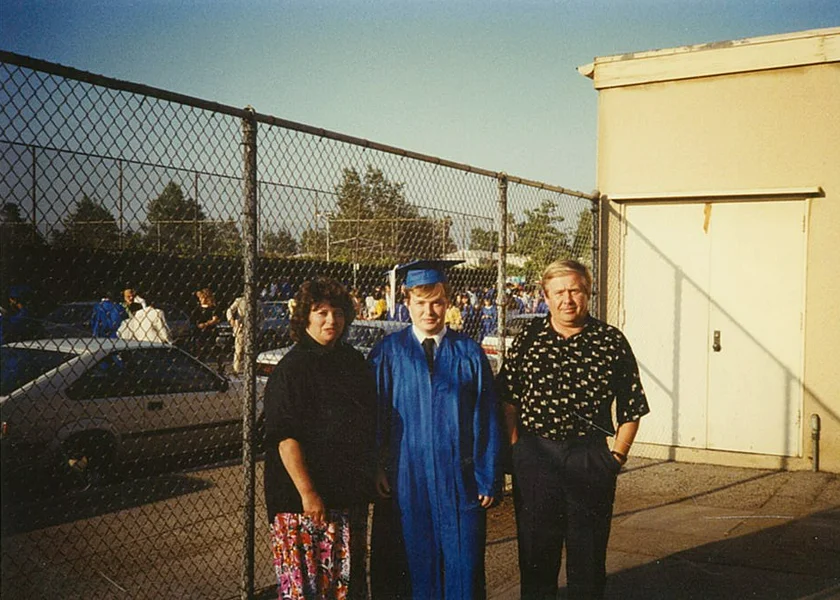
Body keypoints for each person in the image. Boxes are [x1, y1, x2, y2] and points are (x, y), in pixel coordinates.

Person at [496, 259, 650, 600]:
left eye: (575, 291)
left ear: (588, 293)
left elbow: (633, 407)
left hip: (589, 458)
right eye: (559, 292)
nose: (568, 300)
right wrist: (517, 449)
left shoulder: (610, 341)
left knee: (589, 559)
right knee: (536, 559)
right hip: (536, 456)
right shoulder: (528, 339)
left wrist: (616, 457)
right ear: (545, 297)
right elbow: (508, 399)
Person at [369, 259, 502, 600]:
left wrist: (488, 476)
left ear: (448, 303)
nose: (429, 311)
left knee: (463, 564)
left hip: (459, 477)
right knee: (407, 567)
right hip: (405, 477)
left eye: (437, 302)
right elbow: (375, 417)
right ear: (407, 302)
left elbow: (486, 417)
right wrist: (377, 467)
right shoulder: (388, 353)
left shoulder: (469, 353)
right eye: (421, 302)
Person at [263, 277, 377, 600]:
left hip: (346, 498)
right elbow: (285, 438)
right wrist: (308, 492)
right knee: (306, 589)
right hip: (303, 505)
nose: (331, 320)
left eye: (338, 312)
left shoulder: (353, 362)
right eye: (321, 312)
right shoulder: (291, 370)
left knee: (345, 588)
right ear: (306, 317)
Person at [226, 295, 264, 375]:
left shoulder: (258, 303)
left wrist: (259, 327)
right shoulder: (239, 301)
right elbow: (229, 310)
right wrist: (231, 320)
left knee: (251, 350)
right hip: (241, 329)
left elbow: (262, 317)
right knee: (239, 350)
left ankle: (250, 369)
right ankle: (236, 369)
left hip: (252, 330)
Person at [191, 288, 222, 367]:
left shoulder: (213, 308)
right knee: (199, 349)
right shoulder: (197, 308)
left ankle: (219, 365)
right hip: (199, 331)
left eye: (202, 297)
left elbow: (215, 320)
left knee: (212, 348)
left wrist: (205, 324)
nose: (200, 299)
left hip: (209, 331)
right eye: (199, 298)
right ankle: (200, 365)